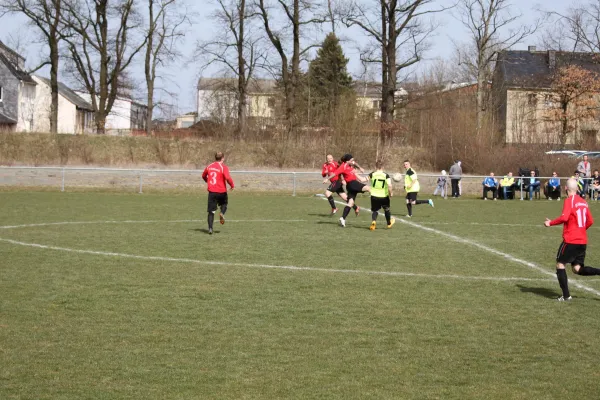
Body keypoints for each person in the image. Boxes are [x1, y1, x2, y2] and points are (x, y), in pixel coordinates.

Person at [544, 178, 600, 301]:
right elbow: (590, 221)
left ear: (566, 188)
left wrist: (550, 223)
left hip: (571, 240)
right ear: (577, 188)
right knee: (577, 268)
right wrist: (581, 230)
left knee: (560, 264)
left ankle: (566, 296)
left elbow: (564, 218)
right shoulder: (583, 202)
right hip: (582, 241)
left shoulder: (569, 200)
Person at [323, 154, 370, 227]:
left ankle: (343, 218)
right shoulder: (343, 166)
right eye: (351, 160)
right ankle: (379, 202)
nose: (353, 161)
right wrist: (327, 179)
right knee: (368, 188)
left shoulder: (349, 163)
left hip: (349, 186)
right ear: (347, 161)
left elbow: (355, 163)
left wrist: (360, 168)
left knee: (350, 202)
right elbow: (335, 173)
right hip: (352, 183)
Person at [201, 151, 235, 235]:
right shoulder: (223, 167)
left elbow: (203, 175)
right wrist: (232, 185)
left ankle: (210, 229)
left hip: (212, 192)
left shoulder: (209, 166)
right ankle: (222, 213)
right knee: (224, 204)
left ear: (215, 158)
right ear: (222, 158)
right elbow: (227, 177)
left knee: (211, 212)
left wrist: (208, 181)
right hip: (222, 191)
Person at [368, 161, 395, 230]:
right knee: (386, 209)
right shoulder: (386, 175)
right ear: (383, 167)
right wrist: (391, 193)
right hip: (384, 196)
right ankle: (389, 224)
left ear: (375, 167)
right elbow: (389, 185)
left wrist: (355, 174)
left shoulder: (372, 174)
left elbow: (363, 179)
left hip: (374, 196)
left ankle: (374, 221)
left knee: (375, 210)